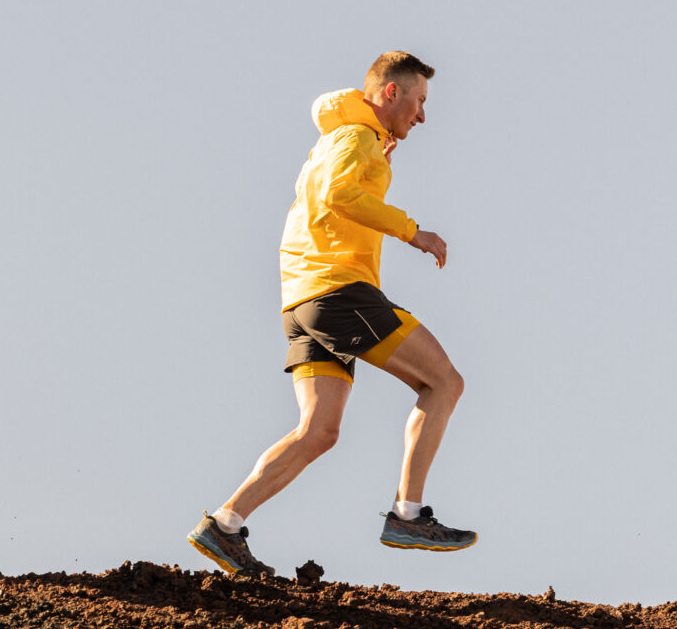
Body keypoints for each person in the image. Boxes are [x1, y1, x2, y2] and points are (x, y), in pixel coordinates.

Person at [188, 52, 474, 577]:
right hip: (338, 291)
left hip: (303, 302)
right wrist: (414, 231)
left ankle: (224, 525)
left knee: (318, 430)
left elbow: (331, 199)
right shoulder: (355, 137)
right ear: (391, 93)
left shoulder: (344, 137)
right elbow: (338, 195)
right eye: (420, 101)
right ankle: (408, 514)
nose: (423, 116)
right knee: (445, 383)